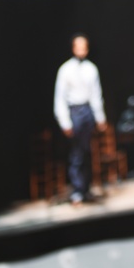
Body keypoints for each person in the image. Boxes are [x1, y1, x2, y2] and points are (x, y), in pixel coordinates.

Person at [53, 34, 107, 205]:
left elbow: (96, 95)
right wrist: (64, 122)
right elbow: (60, 98)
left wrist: (100, 117)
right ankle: (77, 190)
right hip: (74, 111)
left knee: (87, 151)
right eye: (78, 46)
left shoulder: (91, 69)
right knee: (76, 153)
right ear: (73, 47)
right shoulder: (65, 69)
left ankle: (86, 189)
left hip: (87, 111)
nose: (81, 49)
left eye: (84, 46)